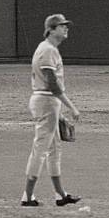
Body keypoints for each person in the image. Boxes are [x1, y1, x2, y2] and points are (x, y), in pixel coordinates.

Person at [21, 14, 81, 207]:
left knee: (54, 148)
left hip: (49, 102)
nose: (66, 29)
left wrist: (59, 113)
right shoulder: (47, 50)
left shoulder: (49, 49)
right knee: (40, 148)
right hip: (46, 100)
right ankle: (27, 196)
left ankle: (60, 194)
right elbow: (52, 84)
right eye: (62, 26)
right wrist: (71, 107)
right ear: (52, 29)